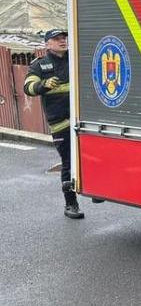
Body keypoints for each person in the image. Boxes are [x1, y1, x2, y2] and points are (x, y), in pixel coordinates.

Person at [23, 28, 83, 219]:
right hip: (60, 122)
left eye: (64, 38)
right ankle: (71, 204)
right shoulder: (40, 65)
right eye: (57, 39)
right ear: (47, 44)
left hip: (81, 119)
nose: (62, 41)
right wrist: (43, 85)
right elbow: (28, 87)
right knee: (68, 162)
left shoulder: (75, 58)